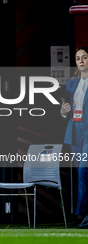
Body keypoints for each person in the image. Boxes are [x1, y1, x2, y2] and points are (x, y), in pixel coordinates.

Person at [61, 46, 88, 228]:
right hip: (74, 130)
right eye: (78, 58)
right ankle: (82, 213)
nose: (81, 60)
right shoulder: (71, 83)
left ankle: (81, 214)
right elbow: (64, 107)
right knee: (81, 173)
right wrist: (63, 112)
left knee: (84, 171)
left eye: (85, 57)